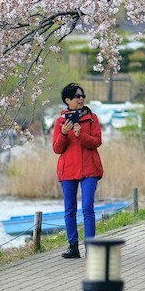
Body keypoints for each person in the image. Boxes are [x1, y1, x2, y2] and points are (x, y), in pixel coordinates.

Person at [52, 83, 104, 260]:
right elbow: (57, 149)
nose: (81, 98)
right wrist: (64, 134)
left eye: (82, 95)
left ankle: (91, 247)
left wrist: (80, 134)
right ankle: (73, 246)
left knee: (88, 207)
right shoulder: (60, 121)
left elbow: (96, 142)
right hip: (68, 170)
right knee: (70, 209)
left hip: (90, 168)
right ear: (67, 100)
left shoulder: (92, 118)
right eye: (77, 96)